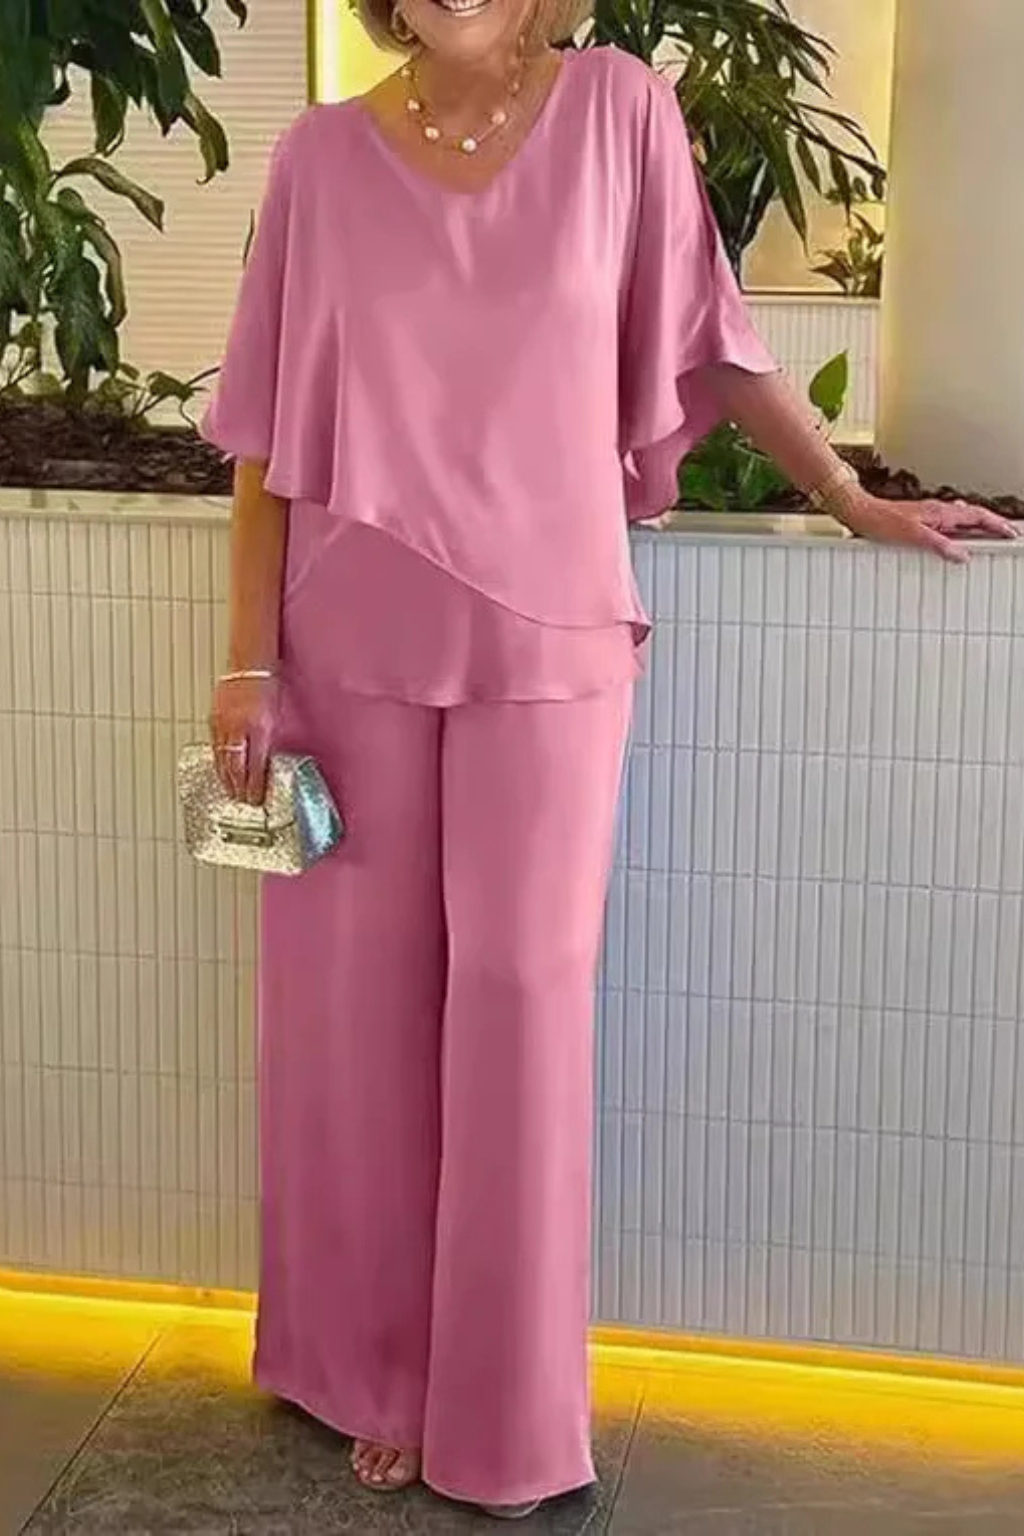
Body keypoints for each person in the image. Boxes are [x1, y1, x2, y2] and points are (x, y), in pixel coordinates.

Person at [202, 0, 1016, 1518]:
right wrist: (249, 660)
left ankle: (499, 1406)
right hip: (349, 629)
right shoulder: (318, 157)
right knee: (356, 1018)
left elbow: (713, 333)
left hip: (557, 629)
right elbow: (261, 438)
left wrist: (850, 496)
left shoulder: (618, 113)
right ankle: (379, 1375)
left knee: (523, 996)